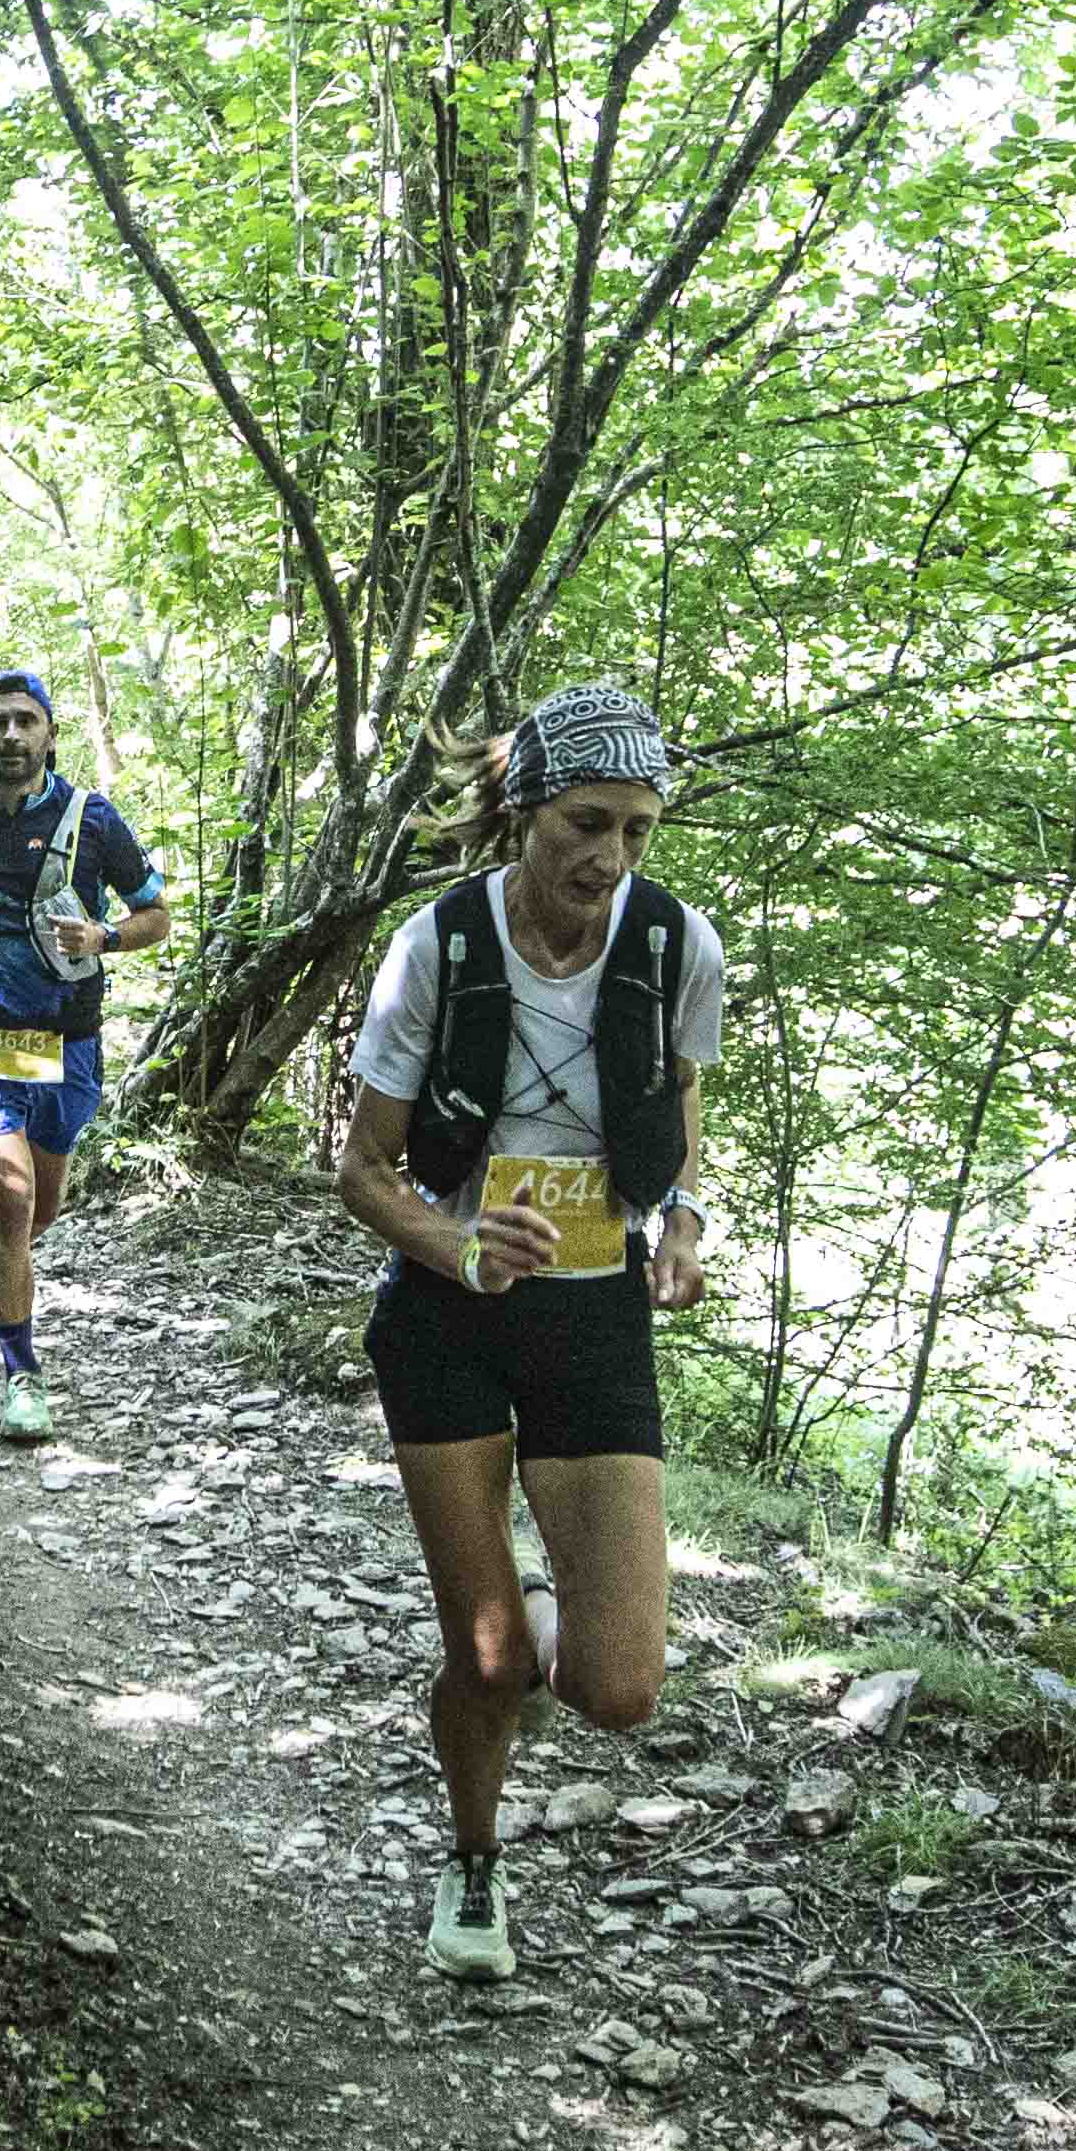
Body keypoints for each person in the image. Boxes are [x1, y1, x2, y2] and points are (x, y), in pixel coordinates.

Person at [332, 681, 721, 1980]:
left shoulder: (674, 951)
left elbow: (675, 1119)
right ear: (523, 813)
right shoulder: (437, 949)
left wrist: (682, 1227)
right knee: (488, 1656)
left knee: (618, 1691)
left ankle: (542, 1591)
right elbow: (363, 1171)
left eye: (638, 831)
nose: (610, 858)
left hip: (595, 1313)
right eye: (586, 824)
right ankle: (477, 1865)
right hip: (447, 1318)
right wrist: (457, 1244)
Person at [0, 667, 166, 1444]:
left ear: (50, 734)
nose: (12, 736)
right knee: (9, 1198)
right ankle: (25, 1377)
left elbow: (156, 916)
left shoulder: (94, 819)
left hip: (66, 1039)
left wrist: (104, 937)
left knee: (40, 1207)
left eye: (26, 721)